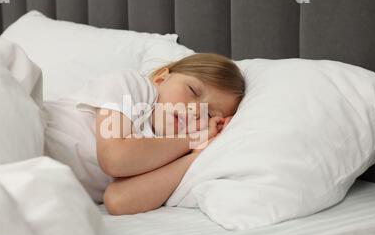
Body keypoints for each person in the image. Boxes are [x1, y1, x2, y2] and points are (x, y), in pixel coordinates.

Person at [44, 53, 245, 215]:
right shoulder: (133, 86)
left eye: (209, 114)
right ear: (161, 78)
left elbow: (118, 201)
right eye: (192, 90)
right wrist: (193, 139)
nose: (193, 110)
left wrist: (196, 155)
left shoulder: (170, 152)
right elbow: (115, 158)